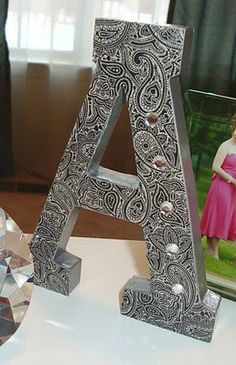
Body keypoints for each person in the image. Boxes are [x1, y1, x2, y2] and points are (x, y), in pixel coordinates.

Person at [200, 113, 236, 259]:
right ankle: (212, 251)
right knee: (218, 216)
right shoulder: (225, 145)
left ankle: (211, 249)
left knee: (224, 218)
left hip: (233, 189)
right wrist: (232, 180)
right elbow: (215, 166)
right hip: (222, 185)